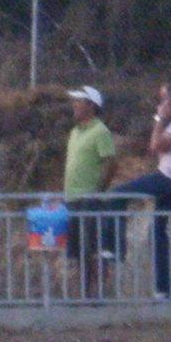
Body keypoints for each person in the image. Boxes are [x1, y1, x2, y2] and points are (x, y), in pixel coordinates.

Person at [116, 82, 171, 298]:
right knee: (158, 230)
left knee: (117, 195)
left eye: (168, 102)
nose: (164, 105)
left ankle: (114, 249)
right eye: (162, 101)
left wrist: (159, 119)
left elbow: (156, 146)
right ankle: (163, 288)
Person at [62, 86, 121, 297]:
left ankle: (96, 294)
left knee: (92, 249)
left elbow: (111, 163)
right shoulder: (75, 131)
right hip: (72, 198)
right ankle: (84, 294)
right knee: (78, 250)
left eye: (79, 101)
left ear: (91, 106)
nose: (74, 105)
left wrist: (98, 191)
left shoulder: (100, 131)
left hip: (88, 198)